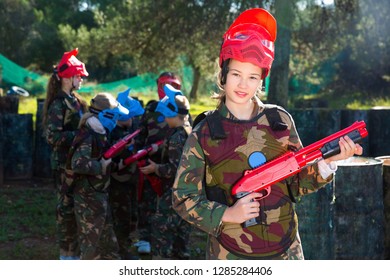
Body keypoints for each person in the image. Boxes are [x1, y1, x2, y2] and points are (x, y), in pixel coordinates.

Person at [172, 8, 363, 260]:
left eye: (252, 77)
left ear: (262, 80)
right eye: (236, 74)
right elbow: (183, 198)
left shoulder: (279, 121)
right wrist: (227, 215)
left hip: (286, 251)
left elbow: (298, 183)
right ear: (223, 75)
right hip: (229, 255)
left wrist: (327, 163)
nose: (243, 84)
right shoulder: (206, 132)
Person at [65, 92, 129, 260]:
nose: (116, 120)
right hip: (88, 198)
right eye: (114, 116)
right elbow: (77, 164)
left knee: (108, 244)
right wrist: (100, 166)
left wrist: (117, 163)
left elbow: (102, 158)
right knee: (91, 247)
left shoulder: (99, 131)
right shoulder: (88, 135)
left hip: (98, 194)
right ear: (105, 114)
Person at [42, 48, 88, 260]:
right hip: (62, 165)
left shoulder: (75, 100)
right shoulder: (58, 104)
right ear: (69, 78)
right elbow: (52, 137)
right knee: (65, 210)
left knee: (75, 209)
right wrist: (79, 135)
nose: (81, 80)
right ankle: (66, 255)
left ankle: (74, 253)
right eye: (78, 76)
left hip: (75, 163)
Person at [139, 84, 192, 259]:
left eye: (165, 115)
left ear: (171, 114)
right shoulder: (189, 130)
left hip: (172, 194)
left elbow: (176, 169)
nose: (164, 120)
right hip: (188, 194)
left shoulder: (177, 137)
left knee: (162, 234)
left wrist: (155, 168)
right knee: (181, 236)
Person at [132, 71, 182, 255]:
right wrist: (141, 156)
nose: (170, 90)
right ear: (158, 87)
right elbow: (140, 135)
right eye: (166, 86)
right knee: (147, 201)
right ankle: (145, 238)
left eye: (174, 86)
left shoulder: (182, 109)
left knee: (168, 205)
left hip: (171, 165)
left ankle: (170, 239)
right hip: (151, 164)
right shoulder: (151, 110)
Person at [108, 88, 144, 259]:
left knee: (131, 214)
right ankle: (121, 250)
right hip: (118, 182)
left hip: (131, 180)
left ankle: (127, 243)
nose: (134, 120)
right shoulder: (112, 133)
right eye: (131, 116)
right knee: (120, 217)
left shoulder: (131, 129)